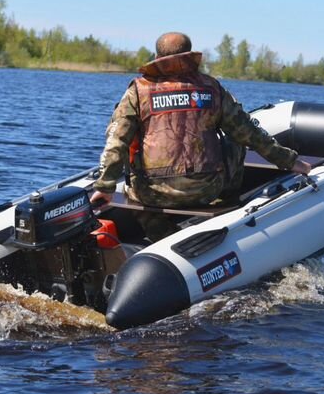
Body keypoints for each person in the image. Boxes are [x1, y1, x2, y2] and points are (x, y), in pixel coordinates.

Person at [90, 32, 310, 240]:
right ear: (189, 55)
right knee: (235, 137)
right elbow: (249, 133)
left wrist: (105, 187)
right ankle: (230, 203)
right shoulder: (212, 88)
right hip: (206, 190)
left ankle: (161, 233)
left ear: (157, 57)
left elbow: (116, 141)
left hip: (152, 192)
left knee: (133, 161)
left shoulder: (138, 91)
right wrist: (290, 161)